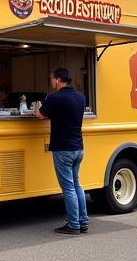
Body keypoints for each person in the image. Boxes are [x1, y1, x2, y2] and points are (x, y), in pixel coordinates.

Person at [34, 68, 89, 234]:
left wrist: (38, 107)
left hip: (63, 149)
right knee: (76, 184)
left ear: (57, 80)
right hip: (78, 147)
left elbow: (39, 114)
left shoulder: (54, 98)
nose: (51, 82)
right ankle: (83, 221)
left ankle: (73, 225)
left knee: (68, 188)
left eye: (52, 79)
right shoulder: (81, 97)